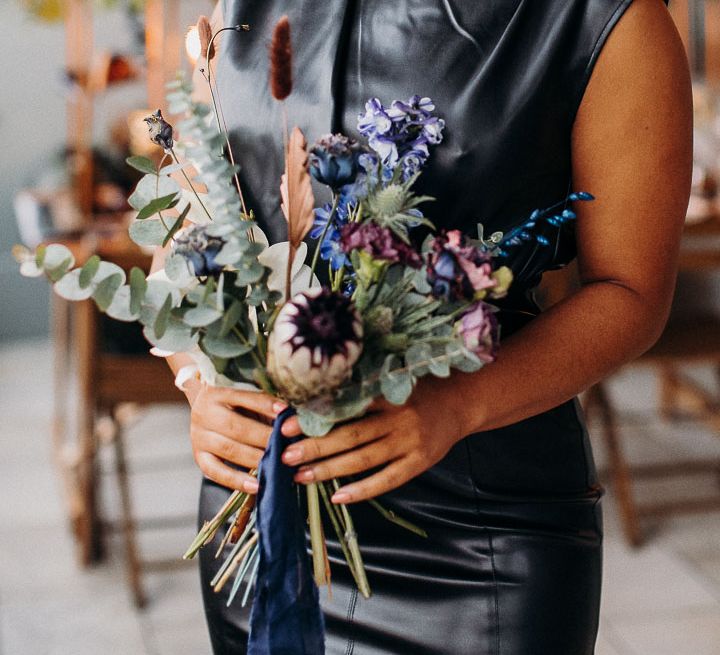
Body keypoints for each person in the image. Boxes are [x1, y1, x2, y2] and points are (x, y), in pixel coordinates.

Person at [157, 1, 692, 653]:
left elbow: (631, 292)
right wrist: (196, 381)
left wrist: (454, 406)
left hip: (477, 533)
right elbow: (184, 223)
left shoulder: (600, 16)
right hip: (264, 514)